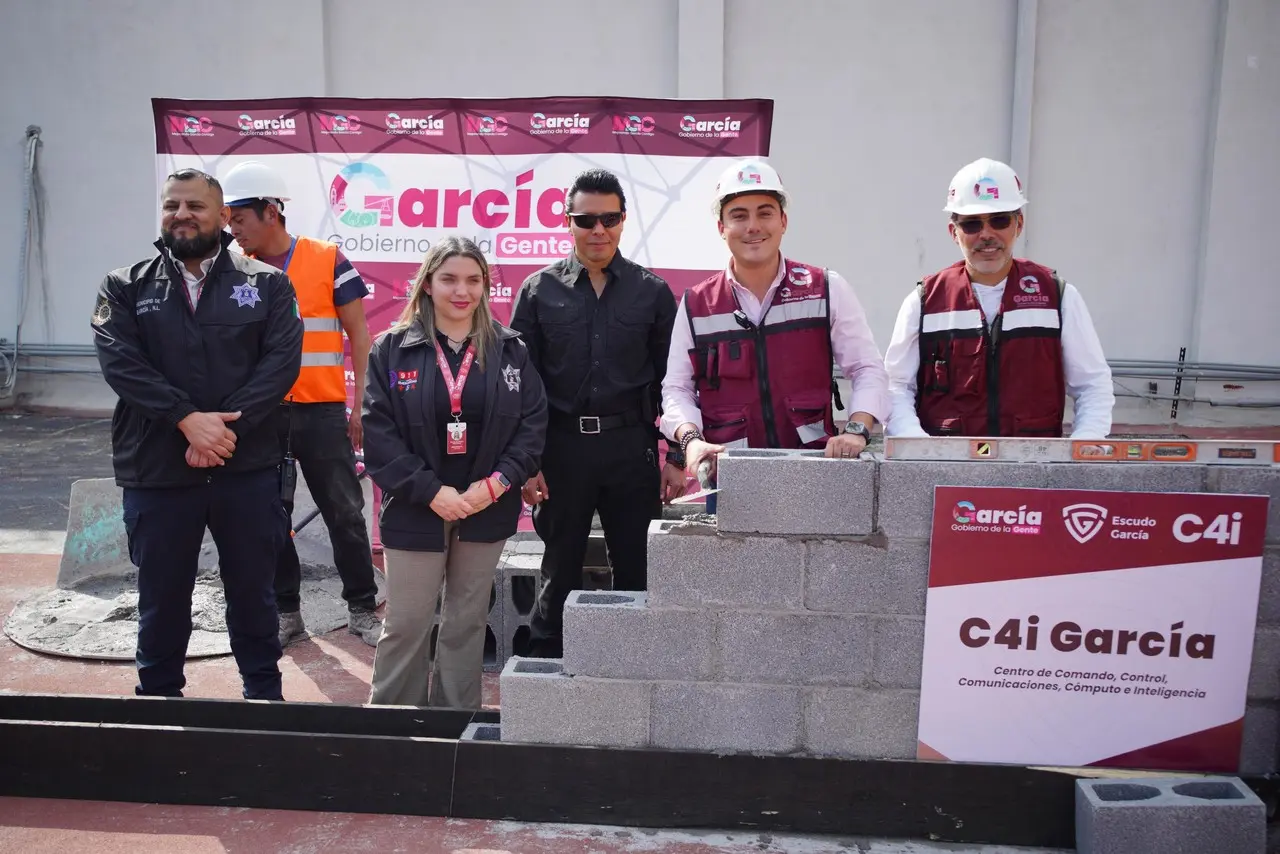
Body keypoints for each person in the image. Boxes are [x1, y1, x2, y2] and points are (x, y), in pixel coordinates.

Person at [91, 168, 303, 700]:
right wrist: (187, 419)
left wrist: (223, 430)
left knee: (254, 594)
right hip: (158, 470)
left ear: (222, 216)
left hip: (246, 466)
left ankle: (264, 698)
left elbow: (280, 365)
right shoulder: (124, 285)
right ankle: (158, 699)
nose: (181, 215)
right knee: (161, 597)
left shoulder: (268, 285)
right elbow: (122, 364)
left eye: (195, 206)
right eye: (171, 205)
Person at [362, 237, 547, 708]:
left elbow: (531, 426)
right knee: (406, 623)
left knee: (466, 622)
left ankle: (455, 726)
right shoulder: (391, 349)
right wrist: (432, 492)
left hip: (486, 507)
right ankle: (391, 728)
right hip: (416, 508)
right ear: (427, 285)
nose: (461, 290)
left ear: (486, 286)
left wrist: (495, 485)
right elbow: (379, 436)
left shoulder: (510, 351)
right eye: (448, 279)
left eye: (473, 280)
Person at [510, 168, 678, 659]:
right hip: (562, 451)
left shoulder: (653, 293)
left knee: (636, 567)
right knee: (558, 567)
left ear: (624, 220)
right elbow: (520, 383)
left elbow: (674, 383)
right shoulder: (539, 290)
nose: (598, 229)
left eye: (609, 218)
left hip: (632, 450)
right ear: (568, 222)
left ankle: (633, 667)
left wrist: (675, 458)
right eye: (586, 219)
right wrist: (528, 460)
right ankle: (546, 671)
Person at [661, 158, 890, 501]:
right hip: (731, 480)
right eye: (739, 215)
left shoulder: (827, 288)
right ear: (721, 227)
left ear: (783, 221)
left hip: (815, 471)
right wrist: (691, 443)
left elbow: (867, 368)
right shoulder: (696, 303)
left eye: (765, 212)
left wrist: (857, 430)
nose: (753, 226)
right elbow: (677, 388)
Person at [221, 161, 382, 648]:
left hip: (321, 412)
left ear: (271, 211)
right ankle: (287, 613)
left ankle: (362, 609)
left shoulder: (326, 258)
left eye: (240, 217)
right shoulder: (231, 269)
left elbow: (359, 334)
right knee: (270, 516)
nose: (232, 228)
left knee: (345, 513)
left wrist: (362, 407)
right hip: (262, 415)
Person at [883, 158, 1114, 439]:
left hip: (1033, 466)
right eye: (971, 225)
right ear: (953, 232)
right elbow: (896, 386)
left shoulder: (1057, 295)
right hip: (944, 467)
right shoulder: (924, 300)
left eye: (999, 220)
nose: (987, 235)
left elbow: (1092, 383)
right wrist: (915, 444)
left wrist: (1086, 442)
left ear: (1019, 225)